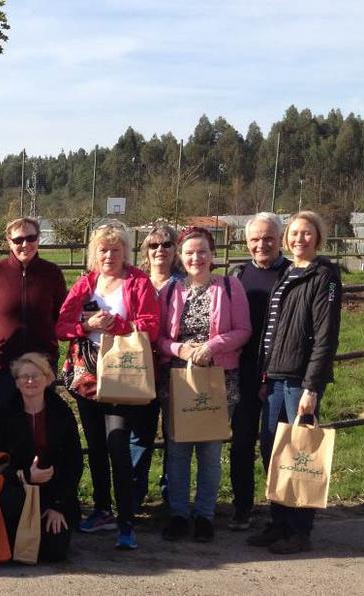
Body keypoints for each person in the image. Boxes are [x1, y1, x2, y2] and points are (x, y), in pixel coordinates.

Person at [55, 222, 159, 550]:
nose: (109, 255)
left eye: (115, 249)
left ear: (125, 252)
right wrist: (86, 325)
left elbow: (152, 326)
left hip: (122, 376)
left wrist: (117, 324)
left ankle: (126, 520)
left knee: (118, 446)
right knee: (97, 448)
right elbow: (60, 325)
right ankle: (102, 510)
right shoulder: (86, 283)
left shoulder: (138, 281)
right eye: (103, 249)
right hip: (88, 377)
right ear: (94, 252)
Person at [247, 211, 341, 554]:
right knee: (273, 450)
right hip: (274, 376)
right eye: (295, 233)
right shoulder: (288, 272)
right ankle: (278, 522)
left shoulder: (323, 276)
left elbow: (326, 337)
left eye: (307, 233)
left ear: (318, 237)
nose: (300, 238)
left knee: (300, 452)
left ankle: (300, 529)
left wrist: (312, 388)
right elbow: (273, 330)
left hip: (300, 379)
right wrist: (263, 374)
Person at [157, 226, 250, 543]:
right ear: (180, 257)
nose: (196, 257)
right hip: (179, 379)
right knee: (178, 451)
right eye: (189, 252)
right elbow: (159, 337)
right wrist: (178, 349)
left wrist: (212, 347)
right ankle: (180, 514)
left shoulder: (229, 286)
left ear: (212, 255)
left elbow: (243, 330)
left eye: (202, 252)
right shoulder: (171, 291)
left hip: (218, 379)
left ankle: (205, 516)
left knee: (210, 452)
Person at [0, 353, 83, 562]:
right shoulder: (5, 413)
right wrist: (25, 475)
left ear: (48, 379)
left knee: (53, 553)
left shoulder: (61, 412)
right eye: (24, 377)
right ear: (17, 383)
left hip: (53, 493)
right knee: (14, 549)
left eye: (36, 376)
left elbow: (74, 462)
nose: (30, 381)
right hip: (17, 491)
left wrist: (59, 505)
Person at [227, 213, 290, 531]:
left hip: (278, 371)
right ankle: (242, 506)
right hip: (244, 370)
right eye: (255, 239)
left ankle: (281, 509)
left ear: (280, 238)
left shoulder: (292, 274)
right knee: (241, 442)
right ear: (246, 241)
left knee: (274, 443)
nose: (261, 244)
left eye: (268, 238)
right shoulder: (238, 275)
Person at [0, 217, 67, 419]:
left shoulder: (52, 273)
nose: (25, 244)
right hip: (1, 365)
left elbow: (60, 314)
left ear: (38, 239)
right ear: (9, 242)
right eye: (18, 240)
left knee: (38, 423)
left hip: (41, 365)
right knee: (1, 427)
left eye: (31, 238)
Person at [132, 225, 185, 507]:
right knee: (141, 432)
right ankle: (135, 493)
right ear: (145, 251)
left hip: (173, 366)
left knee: (175, 433)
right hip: (139, 367)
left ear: (175, 249)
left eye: (166, 244)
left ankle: (171, 493)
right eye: (153, 246)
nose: (160, 250)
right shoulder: (137, 282)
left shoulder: (184, 284)